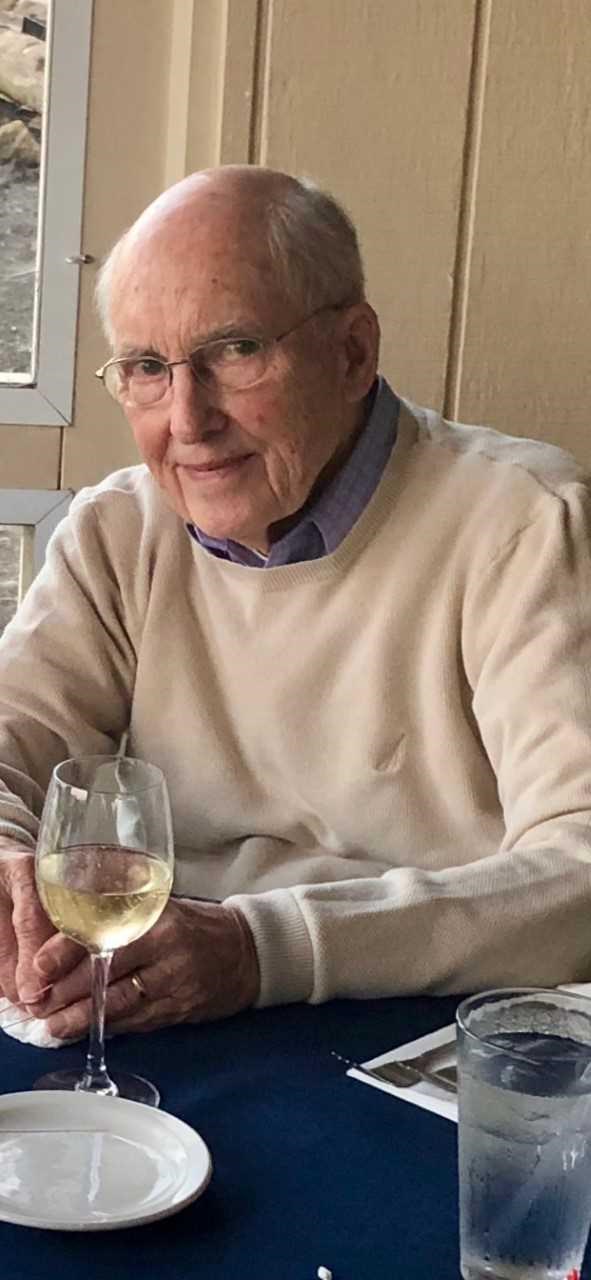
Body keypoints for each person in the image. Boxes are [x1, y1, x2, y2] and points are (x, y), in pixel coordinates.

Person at [1, 165, 591, 1044]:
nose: (188, 419)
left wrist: (261, 948)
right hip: (162, 994)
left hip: (414, 1022)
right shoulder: (118, 529)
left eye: (234, 352)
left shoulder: (523, 522)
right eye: (147, 368)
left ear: (352, 352)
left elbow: (578, 869)